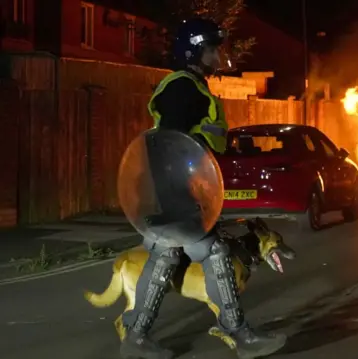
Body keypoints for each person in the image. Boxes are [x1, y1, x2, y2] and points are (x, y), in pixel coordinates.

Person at [119, 18, 287, 359]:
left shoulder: (192, 86)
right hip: (177, 194)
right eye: (212, 48)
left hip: (176, 193)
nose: (217, 54)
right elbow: (170, 146)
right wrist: (180, 196)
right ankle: (238, 333)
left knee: (165, 254)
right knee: (214, 253)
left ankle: (135, 338)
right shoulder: (183, 87)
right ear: (196, 50)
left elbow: (193, 144)